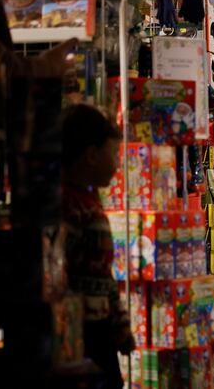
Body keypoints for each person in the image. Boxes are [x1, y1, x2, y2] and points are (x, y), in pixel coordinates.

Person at [62, 104, 135, 388]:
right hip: (80, 331)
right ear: (91, 155)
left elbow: (104, 276)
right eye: (114, 154)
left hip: (98, 326)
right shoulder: (71, 206)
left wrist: (119, 324)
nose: (118, 165)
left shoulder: (87, 203)